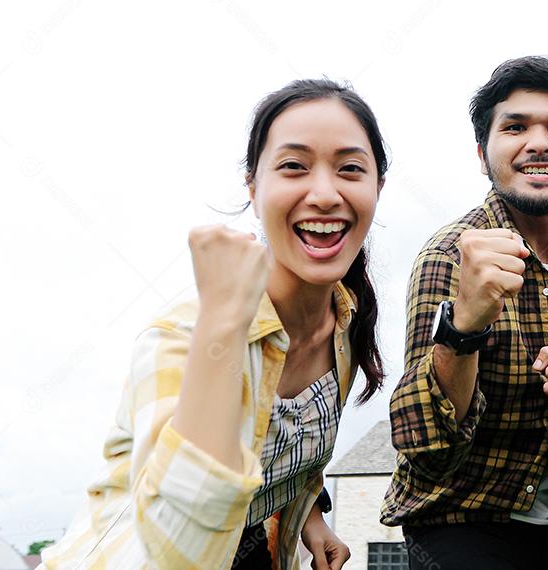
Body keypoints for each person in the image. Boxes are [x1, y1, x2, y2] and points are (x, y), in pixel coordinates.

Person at [41, 79, 388, 570]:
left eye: (350, 168)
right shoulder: (183, 336)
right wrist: (224, 323)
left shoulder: (344, 322)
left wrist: (310, 515)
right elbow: (178, 549)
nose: (325, 194)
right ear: (254, 187)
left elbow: (286, 442)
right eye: (294, 166)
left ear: (378, 187)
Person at [380, 56, 548, 570]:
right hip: (458, 520)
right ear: (482, 154)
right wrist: (464, 324)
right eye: (515, 127)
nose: (539, 143)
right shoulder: (449, 255)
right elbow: (426, 445)